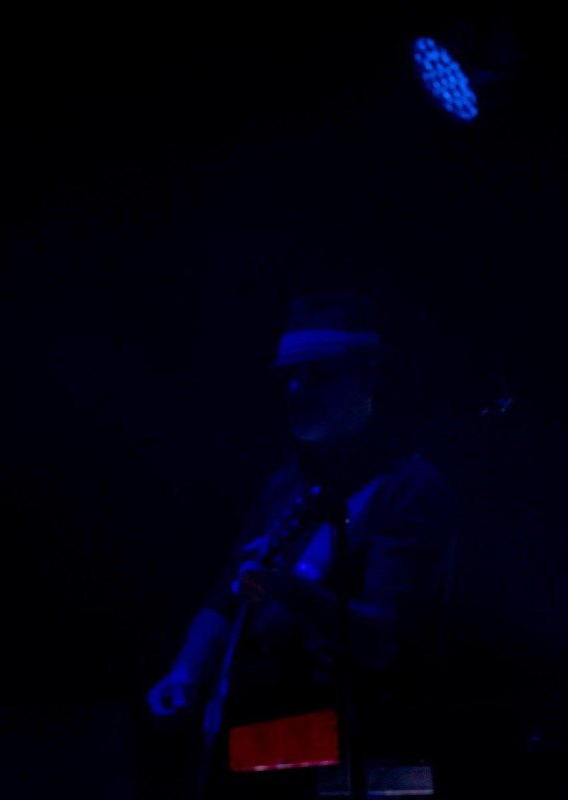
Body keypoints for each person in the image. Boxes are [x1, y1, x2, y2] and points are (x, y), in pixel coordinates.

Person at [145, 291, 459, 799]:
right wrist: (186, 671)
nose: (296, 390)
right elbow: (226, 596)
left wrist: (290, 592)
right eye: (289, 377)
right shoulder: (283, 488)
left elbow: (383, 641)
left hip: (366, 756)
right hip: (276, 749)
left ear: (369, 378)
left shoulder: (408, 488)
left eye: (320, 375)